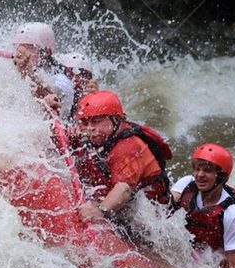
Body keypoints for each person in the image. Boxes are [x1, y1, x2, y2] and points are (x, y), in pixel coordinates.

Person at [73, 91, 172, 229]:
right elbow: (74, 135)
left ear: (115, 119)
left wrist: (100, 210)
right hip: (126, 200)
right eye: (85, 122)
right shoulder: (103, 133)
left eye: (96, 121)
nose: (90, 128)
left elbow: (123, 189)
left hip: (149, 216)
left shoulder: (129, 147)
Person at [11, 22, 75, 120]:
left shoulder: (61, 79)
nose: (21, 53)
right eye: (19, 47)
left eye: (29, 47)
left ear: (47, 52)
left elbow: (53, 97)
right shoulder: (22, 72)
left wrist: (28, 72)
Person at [56, 51, 99, 118]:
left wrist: (94, 99)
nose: (78, 79)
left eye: (83, 75)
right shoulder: (52, 89)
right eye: (71, 75)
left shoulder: (89, 94)